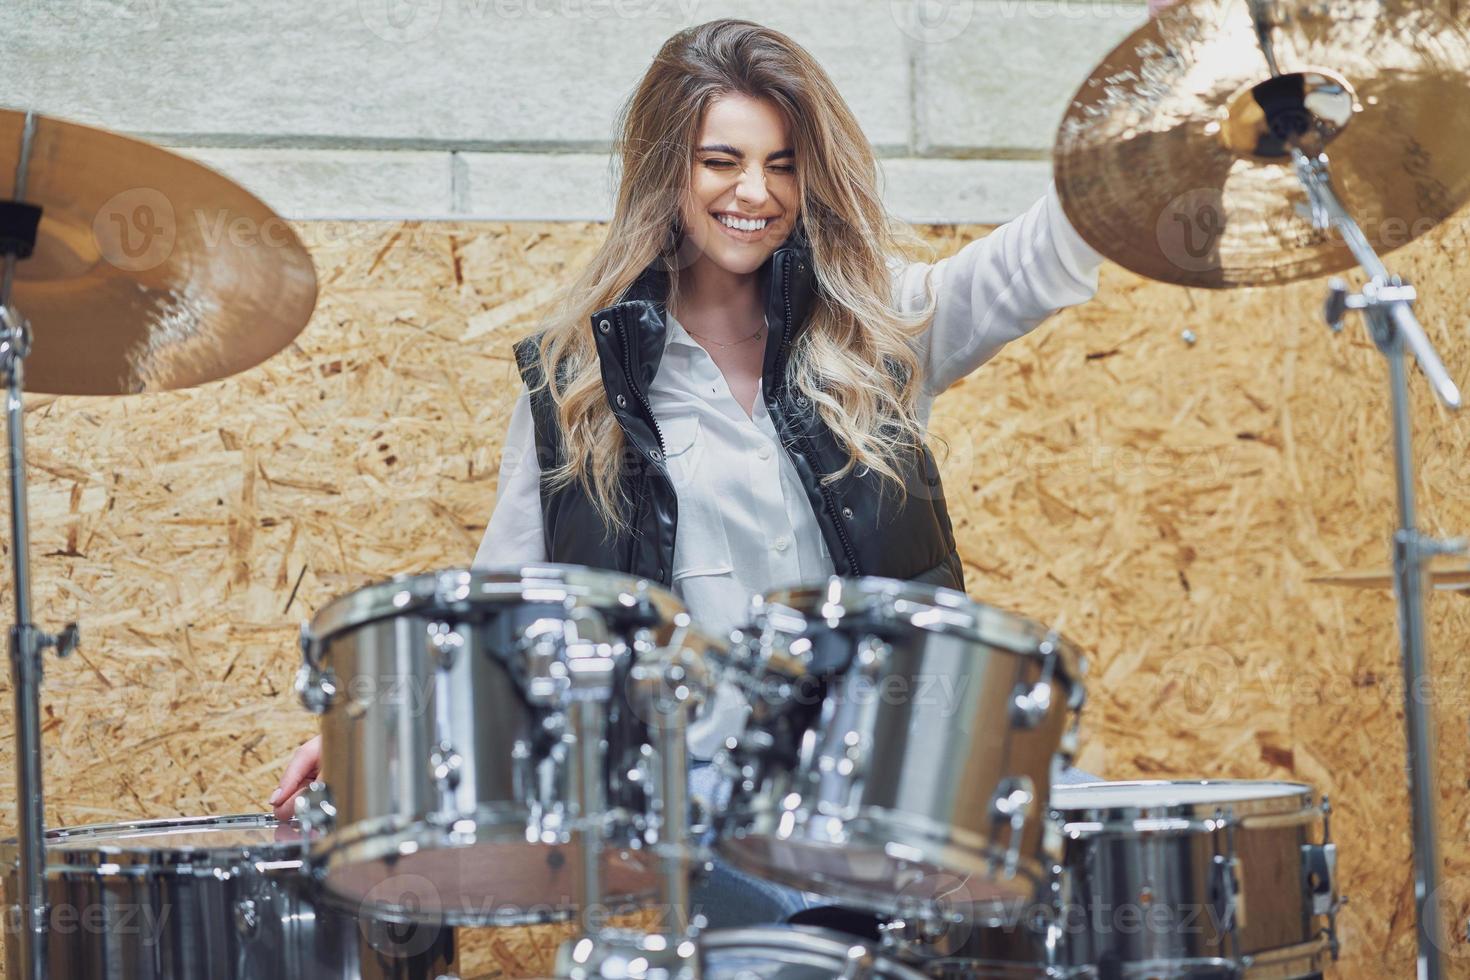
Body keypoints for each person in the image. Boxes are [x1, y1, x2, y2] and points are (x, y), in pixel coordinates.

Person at [270, 21, 1105, 916]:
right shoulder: (579, 381)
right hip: (708, 818)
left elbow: (1041, 257)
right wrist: (380, 737)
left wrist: (1154, 93)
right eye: (722, 161)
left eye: (783, 163)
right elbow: (502, 607)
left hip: (890, 796)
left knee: (1083, 853)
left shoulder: (875, 330)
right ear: (669, 170)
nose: (756, 191)